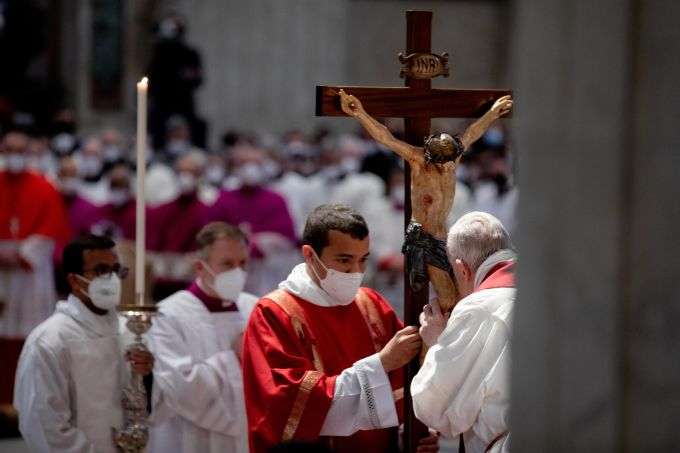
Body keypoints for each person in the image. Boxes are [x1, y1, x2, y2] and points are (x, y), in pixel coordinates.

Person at [241, 204, 438, 453]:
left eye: (363, 260)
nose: (356, 272)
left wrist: (410, 433)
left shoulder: (371, 304)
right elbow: (287, 403)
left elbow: (404, 387)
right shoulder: (274, 312)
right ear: (310, 255)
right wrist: (381, 364)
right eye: (344, 260)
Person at [339, 90, 513, 312]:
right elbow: (385, 137)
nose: (446, 167)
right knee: (448, 301)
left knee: (460, 297)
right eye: (441, 162)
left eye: (449, 161)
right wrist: (359, 113)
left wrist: (492, 113)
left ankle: (435, 338)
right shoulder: (418, 160)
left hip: (446, 238)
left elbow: (472, 132)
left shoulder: (452, 155)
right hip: (424, 237)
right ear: (430, 156)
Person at [13, 234, 154, 453]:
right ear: (74, 280)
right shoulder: (49, 341)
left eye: (116, 270)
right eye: (100, 271)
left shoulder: (129, 330)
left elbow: (146, 404)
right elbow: (44, 425)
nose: (112, 279)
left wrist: (148, 375)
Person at [147, 222, 257, 453]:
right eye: (227, 264)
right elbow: (180, 388)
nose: (237, 272)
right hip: (188, 438)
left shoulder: (256, 308)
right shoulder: (168, 315)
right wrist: (234, 356)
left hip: (245, 437)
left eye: (242, 264)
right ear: (200, 267)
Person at [411, 212, 516, 453]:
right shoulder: (545, 288)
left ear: (462, 270)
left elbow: (434, 408)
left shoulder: (478, 307)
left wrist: (436, 344)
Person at [0, 130, 70, 405]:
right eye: (9, 149)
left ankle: (29, 401)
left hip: (30, 276)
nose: (14, 155)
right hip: (1, 276)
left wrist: (21, 257)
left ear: (28, 153)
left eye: (19, 150)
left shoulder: (44, 187)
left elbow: (51, 229)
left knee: (32, 332)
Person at [207, 144, 298, 295]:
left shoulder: (276, 199)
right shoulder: (224, 199)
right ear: (235, 167)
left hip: (267, 276)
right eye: (244, 164)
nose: (250, 168)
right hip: (229, 274)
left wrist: (255, 242)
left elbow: (287, 238)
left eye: (256, 164)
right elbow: (210, 233)